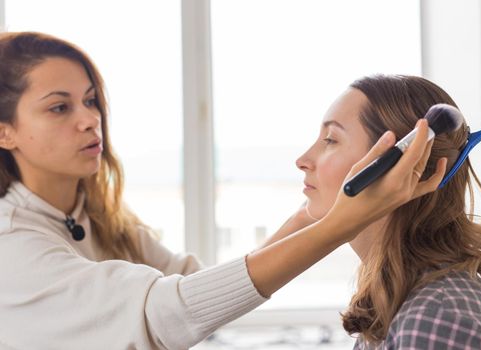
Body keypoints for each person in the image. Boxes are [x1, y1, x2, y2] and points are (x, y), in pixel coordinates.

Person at [0, 32, 446, 350]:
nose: (89, 119)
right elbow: (168, 313)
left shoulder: (99, 218)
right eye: (59, 107)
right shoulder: (12, 245)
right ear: (5, 132)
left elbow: (198, 289)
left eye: (91, 100)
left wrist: (312, 216)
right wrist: (337, 224)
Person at [296, 74, 481, 349]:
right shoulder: (403, 303)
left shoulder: (438, 318)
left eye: (331, 140)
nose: (303, 161)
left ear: (398, 168)